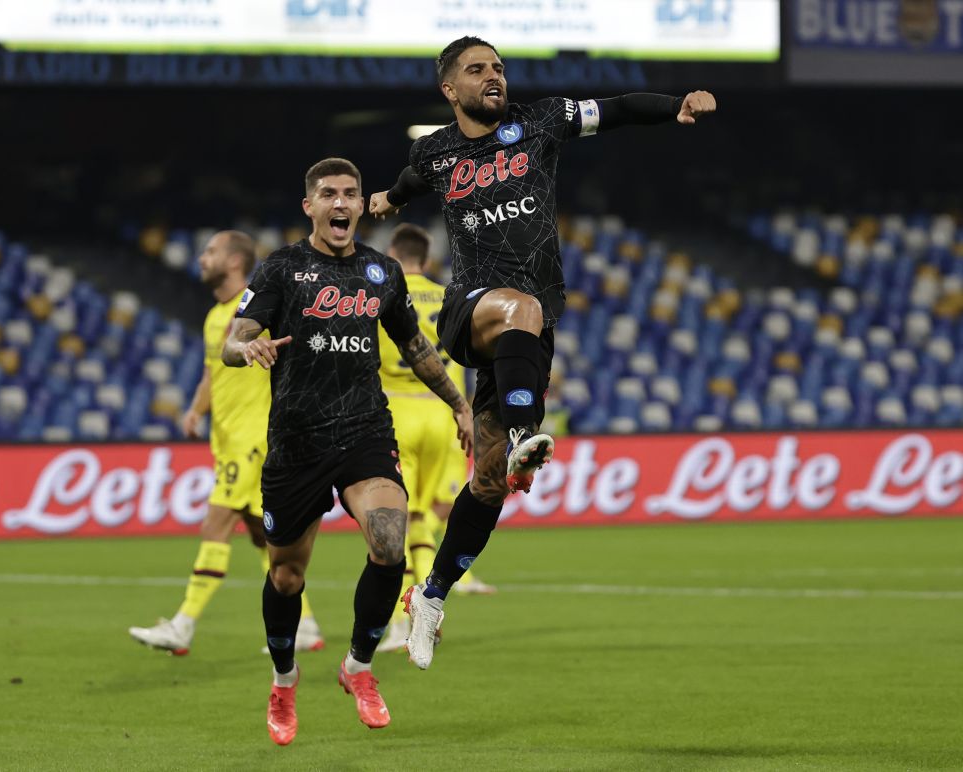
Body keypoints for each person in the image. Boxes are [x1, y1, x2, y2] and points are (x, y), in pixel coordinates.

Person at [369, 36, 716, 669]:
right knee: (518, 309)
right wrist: (388, 200)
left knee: (491, 479)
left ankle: (431, 595)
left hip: (526, 333)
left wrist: (676, 107)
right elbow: (412, 179)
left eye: (498, 67)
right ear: (450, 89)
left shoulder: (540, 122)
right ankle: (533, 429)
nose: (493, 76)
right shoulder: (436, 149)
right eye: (477, 70)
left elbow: (616, 110)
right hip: (472, 305)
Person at [221, 158, 473, 745]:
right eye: (328, 194)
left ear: (362, 205)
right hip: (296, 441)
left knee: (389, 545)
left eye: (351, 194)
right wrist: (248, 350)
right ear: (309, 205)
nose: (341, 203)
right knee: (286, 576)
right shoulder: (282, 267)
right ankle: (284, 681)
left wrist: (459, 404)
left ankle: (358, 668)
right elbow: (237, 338)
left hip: (364, 432)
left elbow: (415, 347)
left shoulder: (382, 272)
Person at [129, 230, 324, 656]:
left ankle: (183, 624)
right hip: (229, 437)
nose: (201, 258)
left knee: (216, 523)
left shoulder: (258, 307)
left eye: (211, 251)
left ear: (234, 262)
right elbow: (211, 373)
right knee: (264, 539)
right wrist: (197, 410)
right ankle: (305, 624)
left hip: (253, 438)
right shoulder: (215, 315)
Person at [372, 224, 493, 654]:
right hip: (444, 413)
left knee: (391, 522)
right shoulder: (449, 297)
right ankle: (426, 608)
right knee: (427, 515)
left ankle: (398, 625)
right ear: (426, 257)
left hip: (397, 410)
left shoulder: (383, 297)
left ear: (392, 253)